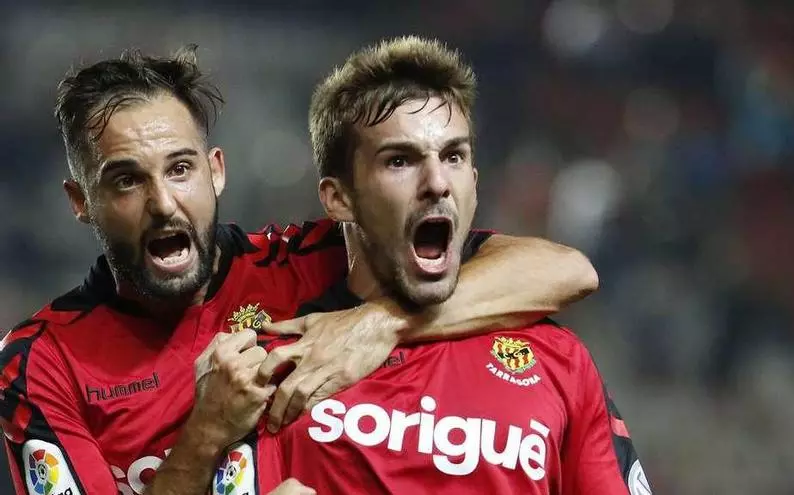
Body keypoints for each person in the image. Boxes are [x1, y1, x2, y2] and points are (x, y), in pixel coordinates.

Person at [0, 46, 599, 495]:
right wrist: (205, 435)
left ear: (216, 171)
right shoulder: (41, 362)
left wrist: (379, 322)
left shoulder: (298, 260)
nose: (163, 203)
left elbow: (563, 270)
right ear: (81, 201)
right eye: (127, 180)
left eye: (180, 169)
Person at [243, 36, 650, 495]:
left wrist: (382, 322)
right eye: (399, 161)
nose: (437, 182)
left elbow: (577, 270)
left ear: (474, 183)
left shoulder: (559, 360)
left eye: (454, 156)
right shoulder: (280, 365)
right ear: (339, 198)